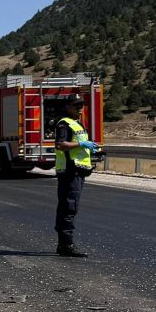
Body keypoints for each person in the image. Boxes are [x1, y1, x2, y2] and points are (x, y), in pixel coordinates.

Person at [53, 94, 101, 257]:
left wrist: (91, 149)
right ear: (68, 107)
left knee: (70, 207)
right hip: (69, 171)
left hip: (78, 170)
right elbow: (60, 145)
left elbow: (76, 148)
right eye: (76, 105)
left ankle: (64, 244)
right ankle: (66, 245)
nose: (80, 108)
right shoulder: (64, 124)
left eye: (81, 105)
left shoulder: (77, 123)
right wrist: (82, 143)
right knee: (68, 207)